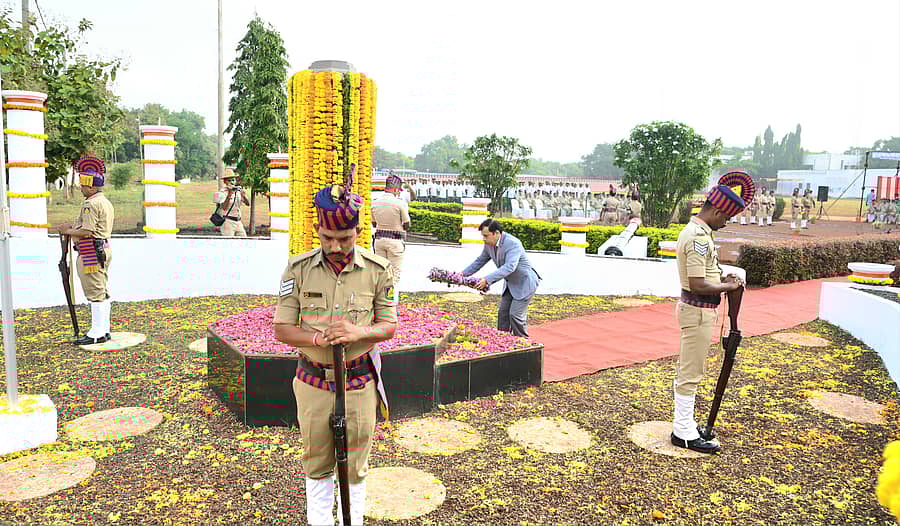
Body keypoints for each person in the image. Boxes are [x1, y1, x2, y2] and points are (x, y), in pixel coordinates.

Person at [273, 181, 396, 526]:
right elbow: (282, 329)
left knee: (355, 468)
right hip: (313, 384)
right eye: (327, 238)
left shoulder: (377, 270)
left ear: (358, 231)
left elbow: (388, 326)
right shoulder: (297, 270)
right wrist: (317, 340)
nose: (336, 246)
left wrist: (360, 332)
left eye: (345, 238)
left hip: (358, 384)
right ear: (317, 230)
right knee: (317, 464)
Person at [672, 172, 750, 454]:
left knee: (691, 369)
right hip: (697, 311)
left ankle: (686, 425)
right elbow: (697, 283)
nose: (725, 223)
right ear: (716, 210)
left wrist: (722, 278)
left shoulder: (700, 233)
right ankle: (682, 432)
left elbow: (706, 275)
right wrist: (725, 285)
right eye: (725, 217)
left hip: (701, 312)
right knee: (691, 372)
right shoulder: (697, 237)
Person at [52, 155, 115, 345]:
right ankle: (103, 329)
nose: (81, 188)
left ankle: (97, 333)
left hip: (90, 251)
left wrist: (67, 231)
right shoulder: (103, 201)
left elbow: (87, 231)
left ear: (92, 186)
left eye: (84, 185)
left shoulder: (91, 204)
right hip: (101, 248)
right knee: (100, 289)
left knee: (94, 291)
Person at [461, 219, 540, 337]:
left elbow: (510, 267)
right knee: (503, 314)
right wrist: (462, 274)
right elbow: (480, 261)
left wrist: (487, 280)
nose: (483, 239)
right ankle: (503, 343)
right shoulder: (489, 245)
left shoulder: (513, 243)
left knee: (515, 315)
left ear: (496, 233)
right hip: (510, 284)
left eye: (486, 235)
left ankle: (523, 344)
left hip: (525, 283)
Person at [372, 173, 410, 304]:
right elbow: (407, 224)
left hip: (379, 241)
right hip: (395, 241)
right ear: (395, 189)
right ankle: (391, 304)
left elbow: (374, 223)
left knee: (381, 273)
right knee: (394, 275)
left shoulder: (375, 202)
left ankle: (379, 303)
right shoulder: (399, 204)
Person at [216, 168, 250, 237]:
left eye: (233, 180)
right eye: (229, 180)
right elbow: (224, 207)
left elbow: (248, 204)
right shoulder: (222, 192)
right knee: (229, 243)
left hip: (238, 221)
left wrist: (244, 195)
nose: (232, 182)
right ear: (225, 182)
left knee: (244, 240)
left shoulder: (238, 191)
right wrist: (229, 194)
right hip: (228, 222)